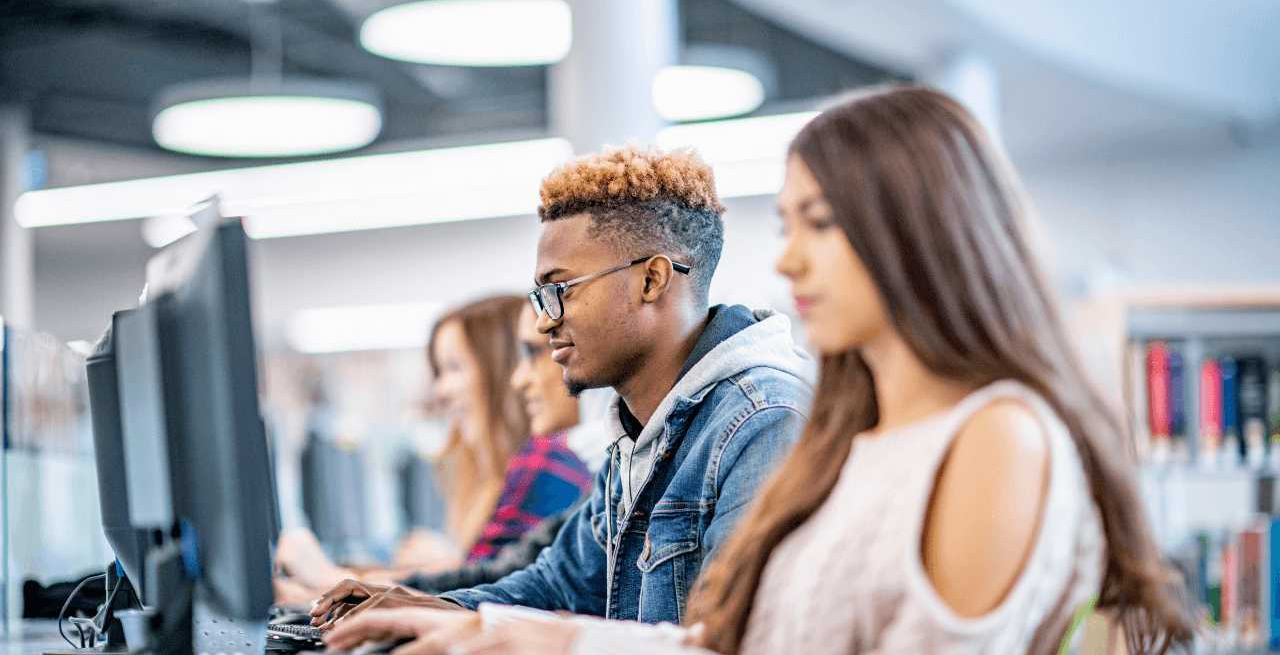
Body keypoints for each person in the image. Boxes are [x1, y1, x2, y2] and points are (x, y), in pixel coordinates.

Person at [322, 84, 1196, 655]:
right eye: (788, 226)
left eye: (819, 223)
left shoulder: (994, 437)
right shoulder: (853, 437)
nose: (787, 264)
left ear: (918, 231)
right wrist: (502, 630)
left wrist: (534, 639)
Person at [309, 143, 814, 627]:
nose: (546, 322)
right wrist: (424, 607)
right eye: (540, 297)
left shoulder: (761, 422)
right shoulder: (638, 433)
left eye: (560, 291)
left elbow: (732, 641)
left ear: (652, 280)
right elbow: (558, 584)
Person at [275, 295, 591, 599]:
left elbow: (493, 589)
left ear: (501, 367)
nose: (441, 389)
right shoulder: (519, 465)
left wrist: (329, 583)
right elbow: (490, 576)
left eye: (455, 367)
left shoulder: (542, 459)